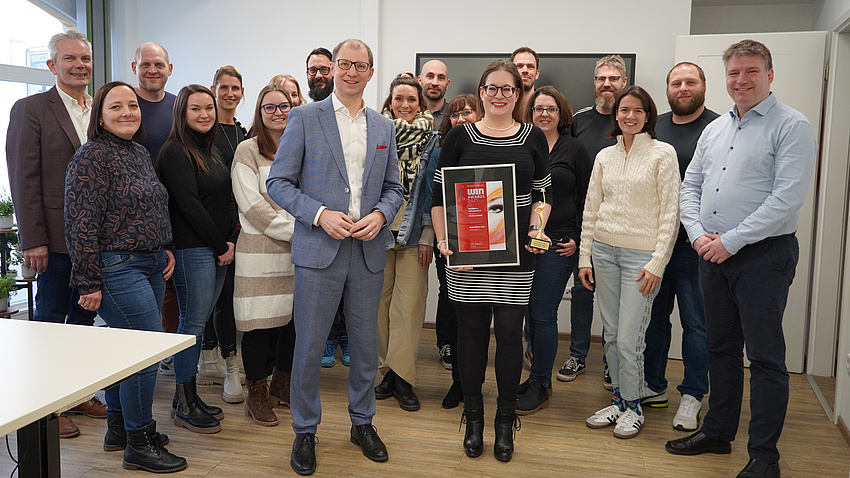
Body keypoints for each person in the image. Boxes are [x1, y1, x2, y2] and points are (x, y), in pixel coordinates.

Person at [666, 39, 817, 478]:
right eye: (734, 72)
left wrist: (730, 241)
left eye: (751, 71)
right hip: (711, 254)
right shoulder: (715, 128)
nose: (741, 80)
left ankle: (764, 457)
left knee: (766, 358)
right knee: (721, 348)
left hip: (763, 256)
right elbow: (690, 186)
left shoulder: (791, 125)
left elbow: (786, 198)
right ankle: (718, 432)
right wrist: (698, 235)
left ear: (769, 75)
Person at [266, 39, 403, 476]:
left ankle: (362, 422)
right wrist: (319, 214)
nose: (351, 72)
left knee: (365, 346)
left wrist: (381, 215)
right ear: (334, 68)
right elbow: (278, 182)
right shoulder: (305, 118)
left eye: (360, 65)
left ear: (370, 72)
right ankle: (305, 430)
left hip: (367, 251)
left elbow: (395, 188)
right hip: (318, 249)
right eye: (344, 63)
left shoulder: (383, 127)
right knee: (309, 345)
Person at [432, 60, 551, 462]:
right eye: (492, 88)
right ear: (481, 92)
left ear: (518, 94)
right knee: (470, 334)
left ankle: (504, 420)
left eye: (507, 89)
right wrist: (446, 240)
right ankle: (473, 418)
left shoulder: (533, 136)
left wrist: (537, 229)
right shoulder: (459, 136)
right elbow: (439, 196)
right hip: (468, 255)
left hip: (516, 255)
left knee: (510, 334)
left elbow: (542, 195)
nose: (499, 95)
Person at [64, 81, 186, 473]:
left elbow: (152, 205)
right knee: (144, 354)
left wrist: (165, 245)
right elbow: (80, 223)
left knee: (125, 354)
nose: (127, 112)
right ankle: (140, 441)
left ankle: (118, 428)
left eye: (132, 105)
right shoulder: (91, 156)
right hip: (117, 267)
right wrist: (88, 282)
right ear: (100, 116)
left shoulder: (138, 152)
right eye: (115, 106)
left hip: (151, 262)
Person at [5, 30, 105, 440]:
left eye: (85, 58)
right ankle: (47, 407)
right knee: (50, 322)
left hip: (95, 239)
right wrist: (33, 240)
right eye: (70, 58)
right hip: (55, 238)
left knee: (82, 320)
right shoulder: (30, 109)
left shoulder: (99, 108)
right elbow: (23, 178)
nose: (80, 65)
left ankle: (76, 394)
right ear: (51, 65)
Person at [580, 85, 680, 439]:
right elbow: (591, 208)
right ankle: (620, 401)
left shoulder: (662, 154)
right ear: (616, 114)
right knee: (609, 336)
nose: (630, 116)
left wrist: (657, 263)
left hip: (641, 258)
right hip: (604, 252)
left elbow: (671, 213)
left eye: (638, 110)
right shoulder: (604, 156)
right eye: (624, 110)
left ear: (648, 115)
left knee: (628, 339)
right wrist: (585, 256)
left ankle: (634, 406)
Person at [156, 84, 238, 435]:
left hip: (217, 248)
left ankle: (186, 398)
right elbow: (189, 206)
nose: (204, 114)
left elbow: (227, 197)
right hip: (194, 250)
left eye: (209, 108)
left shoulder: (211, 149)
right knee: (191, 325)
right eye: (196, 109)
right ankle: (185, 402)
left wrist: (230, 240)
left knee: (198, 322)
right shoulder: (176, 153)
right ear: (182, 113)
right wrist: (220, 246)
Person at [643, 61, 718, 431]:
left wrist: (702, 231)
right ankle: (654, 386)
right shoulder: (652, 128)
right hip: (655, 244)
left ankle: (692, 394)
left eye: (690, 82)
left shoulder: (719, 128)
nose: (683, 88)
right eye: (676, 83)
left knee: (696, 323)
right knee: (653, 319)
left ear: (703, 85)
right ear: (668, 89)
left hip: (693, 246)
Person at [516, 86, 592, 415]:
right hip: (523, 244)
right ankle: (536, 376)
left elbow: (588, 197)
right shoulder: (521, 145)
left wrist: (577, 237)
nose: (544, 114)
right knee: (528, 313)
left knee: (543, 314)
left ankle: (541, 383)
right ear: (530, 113)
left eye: (551, 109)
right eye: (538, 109)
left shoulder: (575, 149)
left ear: (561, 114)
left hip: (559, 244)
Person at [561, 54, 629, 390]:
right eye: (601, 78)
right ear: (594, 83)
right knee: (582, 291)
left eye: (613, 78)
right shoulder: (579, 121)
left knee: (613, 297)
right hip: (582, 222)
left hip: (619, 224)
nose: (606, 84)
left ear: (624, 83)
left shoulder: (631, 120)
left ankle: (610, 361)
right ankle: (577, 354)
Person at [232, 84, 298, 427]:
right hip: (260, 253)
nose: (277, 113)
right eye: (269, 107)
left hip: (296, 255)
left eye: (283, 106)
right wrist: (298, 230)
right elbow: (252, 205)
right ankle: (255, 394)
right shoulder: (247, 150)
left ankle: (281, 385)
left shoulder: (300, 147)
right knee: (258, 325)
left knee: (291, 323)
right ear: (259, 112)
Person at [373, 73, 438, 412]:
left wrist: (428, 234)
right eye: (399, 98)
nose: (405, 105)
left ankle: (403, 379)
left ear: (420, 104)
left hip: (414, 236)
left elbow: (433, 192)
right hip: (377, 233)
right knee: (378, 309)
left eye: (411, 99)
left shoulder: (433, 140)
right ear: (390, 102)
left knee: (408, 309)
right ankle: (387, 373)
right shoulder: (376, 134)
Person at [197, 65, 248, 404]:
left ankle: (218, 360)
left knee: (228, 295)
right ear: (214, 89)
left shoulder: (242, 133)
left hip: (241, 225)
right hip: (212, 226)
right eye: (224, 87)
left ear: (242, 92)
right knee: (214, 296)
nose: (230, 93)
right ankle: (216, 361)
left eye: (235, 88)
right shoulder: (205, 131)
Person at [131, 42, 180, 378]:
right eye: (145, 64)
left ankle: (168, 350)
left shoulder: (179, 106)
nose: (152, 70)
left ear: (169, 68)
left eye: (159, 64)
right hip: (134, 221)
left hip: (176, 211)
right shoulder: (126, 104)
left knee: (172, 286)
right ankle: (142, 360)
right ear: (135, 68)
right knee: (144, 295)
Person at [431, 94, 481, 409]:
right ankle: (459, 383)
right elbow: (435, 198)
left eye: (468, 112)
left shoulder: (489, 148)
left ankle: (475, 386)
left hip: (487, 242)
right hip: (450, 242)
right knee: (456, 311)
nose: (461, 119)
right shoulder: (442, 152)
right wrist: (442, 240)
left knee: (478, 320)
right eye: (455, 114)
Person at [418, 60, 450, 130]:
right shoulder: (409, 113)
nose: (435, 83)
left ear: (447, 84)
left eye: (441, 78)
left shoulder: (455, 116)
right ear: (420, 81)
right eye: (430, 76)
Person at [510, 47, 540, 119]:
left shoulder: (547, 108)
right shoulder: (502, 106)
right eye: (519, 66)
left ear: (537, 74)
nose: (525, 70)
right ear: (510, 72)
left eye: (530, 67)